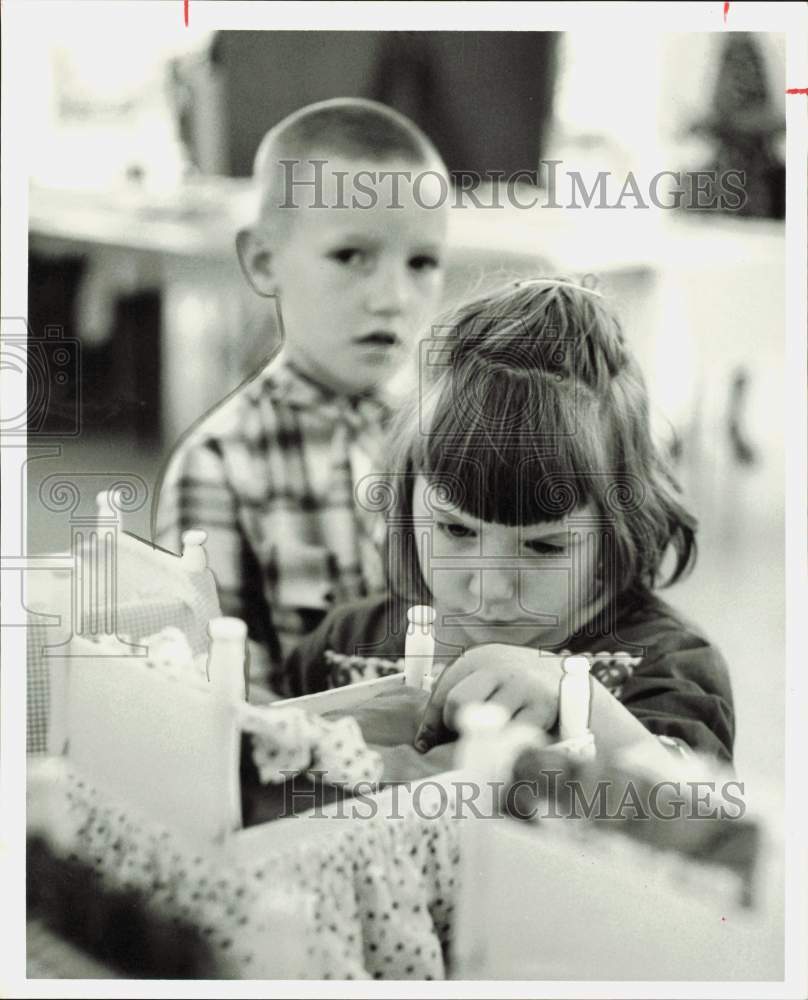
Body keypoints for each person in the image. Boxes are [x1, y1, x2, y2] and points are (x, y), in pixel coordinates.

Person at [281, 278, 735, 765]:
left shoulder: (666, 664)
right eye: (456, 530)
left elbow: (697, 813)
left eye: (543, 547)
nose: (491, 590)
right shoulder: (344, 649)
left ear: (617, 529)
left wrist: (574, 698)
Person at [154, 98, 449, 696]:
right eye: (350, 256)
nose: (392, 297)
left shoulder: (447, 436)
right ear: (265, 262)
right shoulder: (218, 465)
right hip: (302, 777)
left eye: (421, 262)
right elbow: (218, 692)